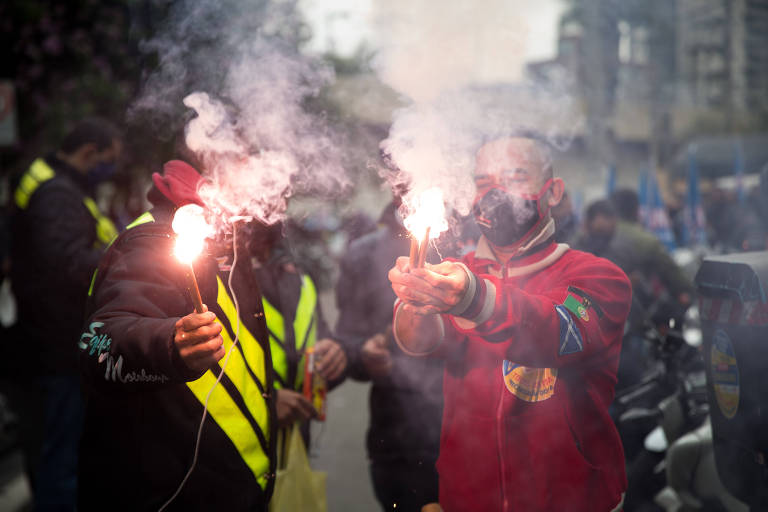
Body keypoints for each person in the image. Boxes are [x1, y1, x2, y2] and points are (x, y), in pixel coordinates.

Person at [388, 136, 632, 511]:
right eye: (483, 182)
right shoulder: (458, 273)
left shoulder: (597, 276)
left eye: (515, 177)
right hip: (468, 499)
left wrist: (473, 299)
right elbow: (419, 343)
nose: (495, 194)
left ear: (552, 193)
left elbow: (562, 332)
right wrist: (415, 301)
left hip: (572, 500)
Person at [78, 161, 276, 511]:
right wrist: (170, 343)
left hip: (230, 485)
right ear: (214, 161)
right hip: (171, 493)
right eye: (251, 159)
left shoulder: (223, 232)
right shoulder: (151, 241)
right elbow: (99, 344)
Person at [7, 117, 121, 511]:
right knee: (61, 458)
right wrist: (119, 257)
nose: (111, 168)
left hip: (51, 339)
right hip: (55, 346)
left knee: (61, 450)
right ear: (89, 152)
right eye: (109, 159)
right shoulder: (59, 196)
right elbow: (67, 264)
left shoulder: (58, 184)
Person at [336, 199, 444, 511]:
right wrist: (362, 354)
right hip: (396, 434)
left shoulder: (475, 242)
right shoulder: (363, 254)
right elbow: (348, 338)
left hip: (468, 433)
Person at [247, 220, 347, 430]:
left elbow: (320, 337)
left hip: (296, 440)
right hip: (236, 449)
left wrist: (336, 355)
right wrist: (264, 402)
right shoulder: (217, 277)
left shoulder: (299, 275)